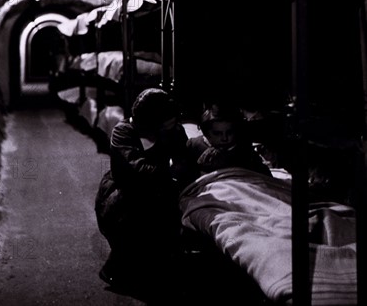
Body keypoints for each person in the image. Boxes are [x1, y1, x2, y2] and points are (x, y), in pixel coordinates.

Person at [94, 88, 188, 293]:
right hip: (125, 189)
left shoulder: (174, 130)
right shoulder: (124, 131)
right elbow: (137, 169)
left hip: (160, 185)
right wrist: (170, 167)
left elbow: (183, 159)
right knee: (137, 210)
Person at [186, 104, 272, 178]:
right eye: (217, 133)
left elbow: (264, 177)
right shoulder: (196, 147)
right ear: (206, 134)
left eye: (229, 132)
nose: (224, 138)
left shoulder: (243, 150)